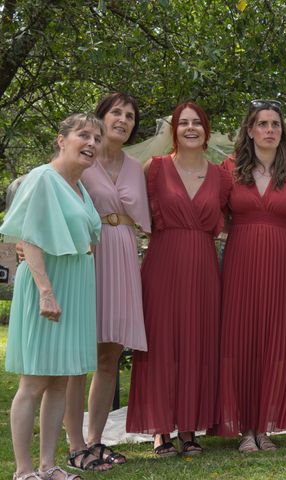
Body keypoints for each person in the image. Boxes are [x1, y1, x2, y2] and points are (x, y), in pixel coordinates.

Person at [126, 101, 231, 456]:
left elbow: (235, 221)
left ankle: (189, 428)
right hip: (162, 263)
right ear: (173, 130)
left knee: (196, 345)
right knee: (161, 344)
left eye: (196, 123)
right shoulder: (152, 169)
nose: (190, 128)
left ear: (206, 129)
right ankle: (160, 430)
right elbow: (125, 208)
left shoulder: (222, 175)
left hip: (203, 266)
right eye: (183, 123)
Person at [1, 114, 103, 480]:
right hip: (49, 284)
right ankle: (24, 469)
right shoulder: (43, 178)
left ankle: (48, 465)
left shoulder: (80, 186)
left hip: (75, 284)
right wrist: (46, 292)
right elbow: (27, 237)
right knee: (34, 381)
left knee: (61, 378)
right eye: (83, 135)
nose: (91, 142)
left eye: (97, 137)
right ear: (61, 139)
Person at [217, 100, 286, 452]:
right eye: (263, 124)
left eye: (276, 124)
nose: (270, 130)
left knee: (275, 341)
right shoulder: (228, 169)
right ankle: (245, 428)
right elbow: (219, 218)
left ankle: (265, 427)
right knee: (240, 338)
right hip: (240, 258)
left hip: (280, 259)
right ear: (250, 129)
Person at [62, 93, 150, 471]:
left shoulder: (136, 167)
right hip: (88, 258)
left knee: (109, 355)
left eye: (130, 116)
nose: (123, 120)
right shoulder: (81, 160)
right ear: (100, 118)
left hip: (124, 254)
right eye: (116, 112)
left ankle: (97, 440)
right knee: (79, 354)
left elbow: (143, 219)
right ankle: (75, 442)